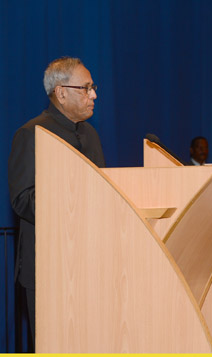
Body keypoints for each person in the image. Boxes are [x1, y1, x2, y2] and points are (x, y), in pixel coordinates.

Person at [8, 57, 105, 346]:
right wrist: (73, 208)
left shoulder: (91, 135)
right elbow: (23, 199)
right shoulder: (32, 134)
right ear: (61, 93)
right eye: (86, 88)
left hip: (91, 264)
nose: (94, 95)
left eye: (93, 87)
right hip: (50, 270)